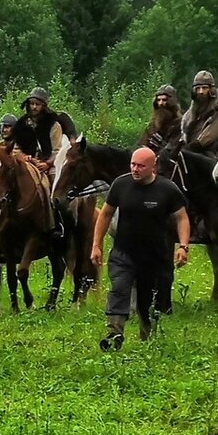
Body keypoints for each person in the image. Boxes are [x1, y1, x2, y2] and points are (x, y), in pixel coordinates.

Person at [89, 147, 190, 351]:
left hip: (154, 256)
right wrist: (96, 245)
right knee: (119, 288)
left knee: (146, 300)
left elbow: (182, 218)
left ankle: (147, 335)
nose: (135, 169)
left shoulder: (167, 189)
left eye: (141, 166)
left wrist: (183, 246)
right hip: (123, 252)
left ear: (153, 166)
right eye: (133, 164)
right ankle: (114, 333)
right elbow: (106, 214)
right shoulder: (121, 184)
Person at [10, 87, 66, 237]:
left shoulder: (53, 125)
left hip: (46, 164)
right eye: (32, 103)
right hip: (26, 163)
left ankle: (56, 223)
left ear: (44, 106)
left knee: (53, 186)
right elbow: (15, 149)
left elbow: (57, 150)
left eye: (37, 104)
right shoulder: (21, 124)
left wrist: (47, 163)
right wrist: (22, 156)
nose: (34, 107)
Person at [181, 71, 218, 158]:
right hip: (191, 153)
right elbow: (185, 132)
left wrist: (190, 147)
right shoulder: (192, 112)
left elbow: (208, 138)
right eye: (198, 88)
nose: (201, 92)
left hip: (211, 155)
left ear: (211, 90)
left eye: (204, 88)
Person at [140, 85, 183, 154]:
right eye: (158, 100)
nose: (160, 103)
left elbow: (173, 150)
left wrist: (161, 147)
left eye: (164, 100)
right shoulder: (152, 126)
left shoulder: (180, 125)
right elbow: (141, 146)